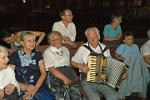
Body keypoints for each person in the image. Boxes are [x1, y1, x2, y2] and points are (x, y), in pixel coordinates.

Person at [71, 27, 119, 100]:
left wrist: (120, 74)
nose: (92, 40)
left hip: (102, 81)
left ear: (99, 37)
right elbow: (73, 61)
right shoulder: (83, 48)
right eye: (90, 38)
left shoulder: (104, 48)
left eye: (95, 37)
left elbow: (110, 64)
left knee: (114, 96)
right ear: (87, 38)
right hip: (87, 81)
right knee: (95, 98)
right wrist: (80, 66)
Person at [9, 31, 54, 100]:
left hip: (38, 85)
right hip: (21, 86)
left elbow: (43, 73)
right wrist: (24, 87)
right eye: (29, 41)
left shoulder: (37, 54)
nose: (33, 43)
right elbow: (9, 76)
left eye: (34, 40)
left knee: (49, 98)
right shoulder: (14, 56)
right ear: (22, 42)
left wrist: (35, 89)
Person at [43, 31, 82, 100]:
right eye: (57, 39)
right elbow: (51, 69)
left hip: (69, 73)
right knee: (61, 95)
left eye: (60, 39)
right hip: (55, 75)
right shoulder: (48, 52)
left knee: (76, 93)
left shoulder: (65, 49)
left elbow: (68, 65)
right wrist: (64, 78)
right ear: (51, 42)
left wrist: (75, 77)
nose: (60, 41)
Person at [115, 32, 150, 99]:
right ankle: (126, 91)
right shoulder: (123, 46)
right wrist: (124, 58)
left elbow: (138, 57)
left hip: (135, 67)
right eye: (129, 39)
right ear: (124, 41)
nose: (131, 40)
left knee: (142, 72)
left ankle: (141, 91)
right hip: (126, 65)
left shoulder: (135, 46)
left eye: (132, 39)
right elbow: (116, 56)